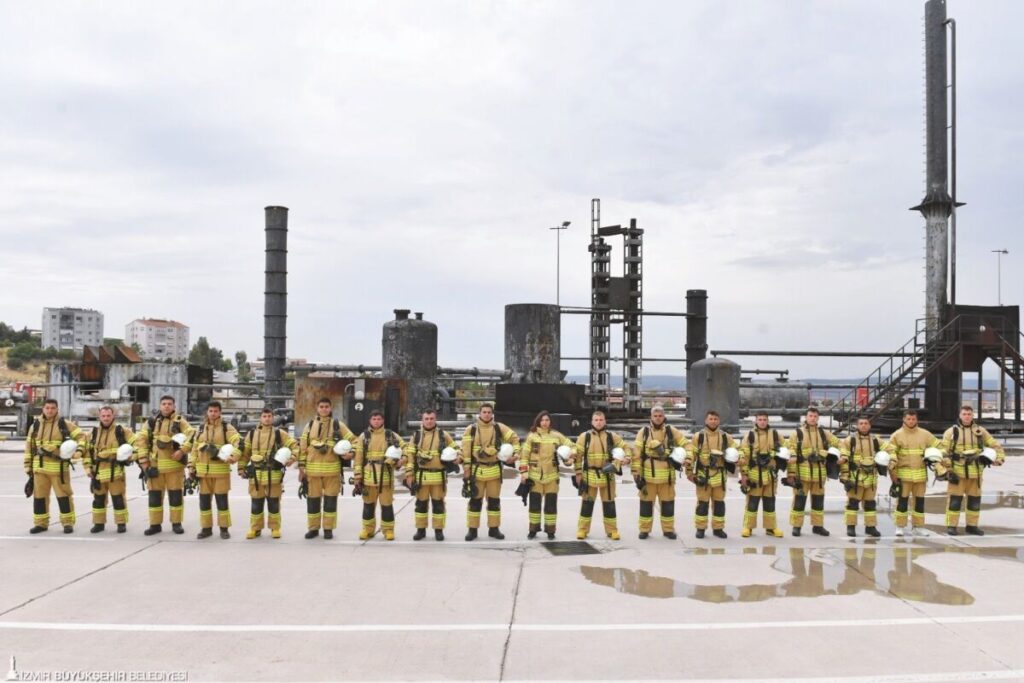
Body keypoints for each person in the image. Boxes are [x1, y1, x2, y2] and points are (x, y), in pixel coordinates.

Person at [938, 405, 1005, 536]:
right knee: (954, 502)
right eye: (964, 414)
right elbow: (943, 452)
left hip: (976, 473)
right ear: (960, 415)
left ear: (972, 415)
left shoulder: (981, 431)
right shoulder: (951, 432)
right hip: (957, 473)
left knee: (974, 502)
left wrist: (999, 459)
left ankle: (972, 526)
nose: (967, 416)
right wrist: (946, 470)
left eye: (969, 414)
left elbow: (995, 445)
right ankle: (951, 526)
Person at [23, 398, 86, 533]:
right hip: (39, 469)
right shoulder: (35, 426)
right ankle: (41, 524)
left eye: (53, 408)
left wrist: (79, 451)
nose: (50, 410)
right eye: (47, 408)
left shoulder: (65, 424)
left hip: (59, 470)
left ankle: (67, 523)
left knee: (64, 497)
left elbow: (82, 437)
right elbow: (29, 447)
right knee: (39, 497)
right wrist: (28, 466)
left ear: (57, 409)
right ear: (43, 409)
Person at [297, 397, 357, 540]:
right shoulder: (309, 426)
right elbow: (303, 449)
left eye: (326, 407)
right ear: (317, 408)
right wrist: (301, 469)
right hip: (312, 473)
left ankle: (328, 529)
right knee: (313, 503)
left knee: (330, 502)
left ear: (330, 409)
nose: (324, 409)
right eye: (321, 406)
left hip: (332, 472)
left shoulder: (338, 425)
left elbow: (355, 440)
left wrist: (351, 453)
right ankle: (313, 529)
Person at [134, 395, 194, 535]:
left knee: (175, 497)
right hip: (154, 467)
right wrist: (143, 462)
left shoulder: (180, 422)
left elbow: (192, 435)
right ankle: (155, 525)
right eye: (164, 404)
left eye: (169, 404)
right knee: (154, 498)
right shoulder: (151, 422)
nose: (166, 406)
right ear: (160, 406)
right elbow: (141, 441)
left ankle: (176, 523)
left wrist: (182, 451)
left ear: (174, 407)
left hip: (174, 469)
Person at [460, 403, 520, 541]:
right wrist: (466, 470)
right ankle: (472, 530)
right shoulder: (471, 429)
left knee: (494, 502)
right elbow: (466, 451)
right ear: (479, 413)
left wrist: (515, 454)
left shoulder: (499, 427)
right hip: (477, 472)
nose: (486, 414)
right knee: (475, 502)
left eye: (489, 412)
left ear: (492, 414)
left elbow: (515, 438)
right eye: (484, 412)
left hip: (494, 472)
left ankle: (494, 529)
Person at [238, 407, 298, 539]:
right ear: (260, 418)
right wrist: (241, 469)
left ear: (272, 417)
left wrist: (292, 458)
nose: (267, 418)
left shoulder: (279, 433)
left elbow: (294, 446)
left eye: (269, 416)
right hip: (256, 475)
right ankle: (255, 529)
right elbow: (245, 453)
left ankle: (275, 528)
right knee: (256, 503)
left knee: (274, 503)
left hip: (274, 474)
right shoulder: (252, 434)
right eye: (264, 416)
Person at [184, 401, 241, 539]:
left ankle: (224, 529)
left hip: (221, 473)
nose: (213, 413)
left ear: (220, 412)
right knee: (204, 503)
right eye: (211, 411)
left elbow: (237, 441)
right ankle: (206, 529)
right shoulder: (201, 428)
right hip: (203, 474)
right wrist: (191, 466)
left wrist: (234, 456)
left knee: (222, 502)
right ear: (207, 412)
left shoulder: (227, 428)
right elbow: (194, 449)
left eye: (216, 411)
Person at [519, 411, 576, 539]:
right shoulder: (531, 436)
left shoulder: (556, 435)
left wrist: (571, 456)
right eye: (543, 420)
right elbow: (524, 457)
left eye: (547, 420)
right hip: (535, 477)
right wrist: (524, 473)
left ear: (550, 422)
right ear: (538, 421)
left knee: (551, 506)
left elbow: (572, 446)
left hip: (552, 477)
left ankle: (550, 531)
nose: (545, 422)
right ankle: (533, 530)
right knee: (534, 506)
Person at [574, 410, 630, 540]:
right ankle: (582, 530)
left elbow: (626, 447)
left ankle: (612, 531)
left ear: (605, 421)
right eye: (596, 420)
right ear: (592, 422)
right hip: (589, 475)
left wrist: (627, 458)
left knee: (609, 504)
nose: (598, 422)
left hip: (608, 475)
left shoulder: (612, 436)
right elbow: (577, 456)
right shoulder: (584, 437)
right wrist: (578, 473)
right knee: (587, 504)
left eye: (601, 420)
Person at [884, 409, 942, 538]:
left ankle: (918, 527)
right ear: (904, 419)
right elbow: (891, 454)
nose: (911, 421)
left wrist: (936, 457)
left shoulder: (925, 434)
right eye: (908, 419)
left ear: (917, 420)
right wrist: (893, 475)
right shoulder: (896, 435)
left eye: (913, 419)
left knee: (920, 503)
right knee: (902, 502)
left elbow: (939, 446)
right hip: (903, 475)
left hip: (920, 475)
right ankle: (900, 526)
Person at [633, 405, 688, 539]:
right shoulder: (644, 432)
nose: (658, 418)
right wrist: (636, 472)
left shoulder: (671, 431)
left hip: (667, 477)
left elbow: (687, 444)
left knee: (668, 504)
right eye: (655, 416)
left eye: (660, 416)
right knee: (646, 505)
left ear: (664, 417)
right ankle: (644, 530)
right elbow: (636, 453)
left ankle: (668, 530)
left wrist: (688, 457)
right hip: (648, 477)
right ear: (651, 417)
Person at [402, 409, 457, 541]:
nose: (429, 421)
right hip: (421, 478)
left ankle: (438, 531)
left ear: (435, 419)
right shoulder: (416, 436)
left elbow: (456, 448)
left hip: (439, 478)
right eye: (426, 419)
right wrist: (409, 475)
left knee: (438, 505)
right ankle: (420, 530)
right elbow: (410, 457)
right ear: (422, 420)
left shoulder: (444, 435)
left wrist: (458, 458)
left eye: (431, 418)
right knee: (420, 505)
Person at [785, 407, 841, 537]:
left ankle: (818, 526)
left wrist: (825, 453)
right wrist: (791, 475)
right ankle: (796, 526)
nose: (812, 418)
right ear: (806, 417)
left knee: (818, 503)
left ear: (818, 418)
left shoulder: (824, 433)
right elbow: (791, 454)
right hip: (801, 475)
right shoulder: (797, 434)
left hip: (819, 476)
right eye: (810, 416)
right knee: (799, 502)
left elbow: (839, 444)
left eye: (815, 416)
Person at [353, 409, 407, 540]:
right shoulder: (363, 436)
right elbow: (358, 458)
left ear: (383, 420)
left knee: (387, 506)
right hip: (368, 479)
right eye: (374, 419)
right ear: (370, 421)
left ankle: (388, 530)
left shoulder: (390, 435)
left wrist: (402, 460)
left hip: (386, 478)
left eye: (379, 419)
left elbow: (406, 447)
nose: (376, 422)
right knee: (368, 506)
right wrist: (357, 477)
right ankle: (367, 530)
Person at [84, 406, 135, 534]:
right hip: (98, 473)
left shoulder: (122, 431)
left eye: (108, 416)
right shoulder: (92, 433)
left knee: (118, 500)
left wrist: (130, 457)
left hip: (116, 473)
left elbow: (138, 444)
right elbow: (87, 453)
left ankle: (121, 523)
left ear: (113, 416)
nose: (106, 418)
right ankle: (98, 524)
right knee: (98, 500)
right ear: (99, 417)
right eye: (103, 416)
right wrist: (87, 468)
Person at [687, 410, 736, 539]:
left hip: (720, 476)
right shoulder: (699, 436)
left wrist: (738, 458)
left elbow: (737, 450)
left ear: (719, 421)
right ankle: (700, 529)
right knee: (702, 504)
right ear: (706, 420)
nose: (713, 421)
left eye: (715, 419)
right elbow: (691, 454)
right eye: (711, 419)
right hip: (703, 475)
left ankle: (718, 529)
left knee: (719, 504)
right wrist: (689, 472)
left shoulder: (726, 437)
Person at [738, 411, 785, 538]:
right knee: (752, 503)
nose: (762, 422)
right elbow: (744, 456)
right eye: (760, 419)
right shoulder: (749, 436)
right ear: (756, 421)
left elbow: (785, 451)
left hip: (770, 475)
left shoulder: (776, 435)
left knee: (770, 502)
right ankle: (748, 527)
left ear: (768, 421)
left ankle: (771, 528)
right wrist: (744, 475)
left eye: (765, 419)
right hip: (754, 474)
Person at [839, 416, 884, 538]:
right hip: (855, 478)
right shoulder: (850, 440)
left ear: (869, 426)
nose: (864, 425)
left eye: (866, 423)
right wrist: (844, 477)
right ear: (857, 426)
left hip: (871, 478)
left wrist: (891, 460)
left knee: (870, 504)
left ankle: (870, 527)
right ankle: (851, 527)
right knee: (853, 503)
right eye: (861, 423)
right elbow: (844, 458)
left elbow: (888, 450)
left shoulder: (876, 440)